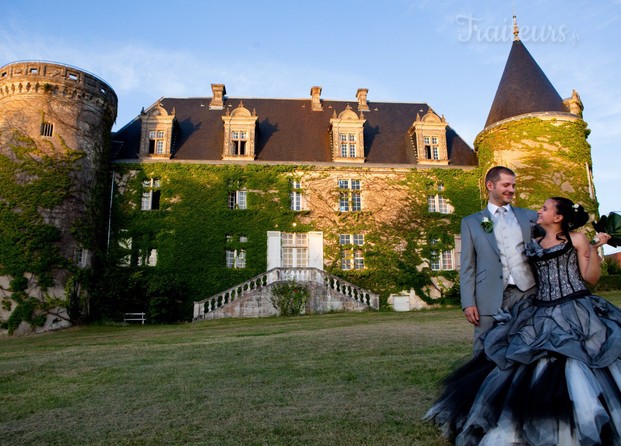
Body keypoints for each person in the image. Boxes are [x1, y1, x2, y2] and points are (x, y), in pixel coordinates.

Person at [425, 197, 619, 445]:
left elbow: (590, 279)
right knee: (524, 358)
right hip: (541, 308)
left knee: (578, 358)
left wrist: (594, 250)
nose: (539, 210)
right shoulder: (534, 243)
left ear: (558, 217)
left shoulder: (577, 239)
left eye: (545, 208)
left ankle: (581, 417)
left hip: (575, 306)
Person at [460, 166, 538, 351]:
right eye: (506, 185)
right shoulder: (471, 222)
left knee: (528, 343)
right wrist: (468, 302)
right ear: (490, 185)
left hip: (527, 291)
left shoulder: (529, 216)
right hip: (488, 295)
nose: (511, 190)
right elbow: (468, 266)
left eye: (513, 185)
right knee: (484, 346)